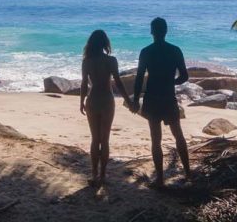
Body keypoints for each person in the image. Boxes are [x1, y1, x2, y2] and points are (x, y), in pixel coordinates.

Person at [131, 17, 190, 187]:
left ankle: (160, 180)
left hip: (152, 98)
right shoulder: (175, 50)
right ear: (165, 31)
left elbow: (139, 77)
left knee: (155, 139)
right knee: (178, 135)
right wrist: (171, 82)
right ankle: (187, 173)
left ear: (152, 31)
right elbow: (184, 76)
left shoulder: (146, 51)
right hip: (168, 97)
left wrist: (135, 99)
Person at [80, 29, 133, 187]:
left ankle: (94, 175)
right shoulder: (111, 60)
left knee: (95, 139)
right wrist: (128, 101)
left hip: (93, 99)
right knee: (105, 139)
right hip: (107, 100)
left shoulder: (87, 61)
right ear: (105, 43)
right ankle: (103, 175)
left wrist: (81, 101)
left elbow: (84, 83)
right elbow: (117, 82)